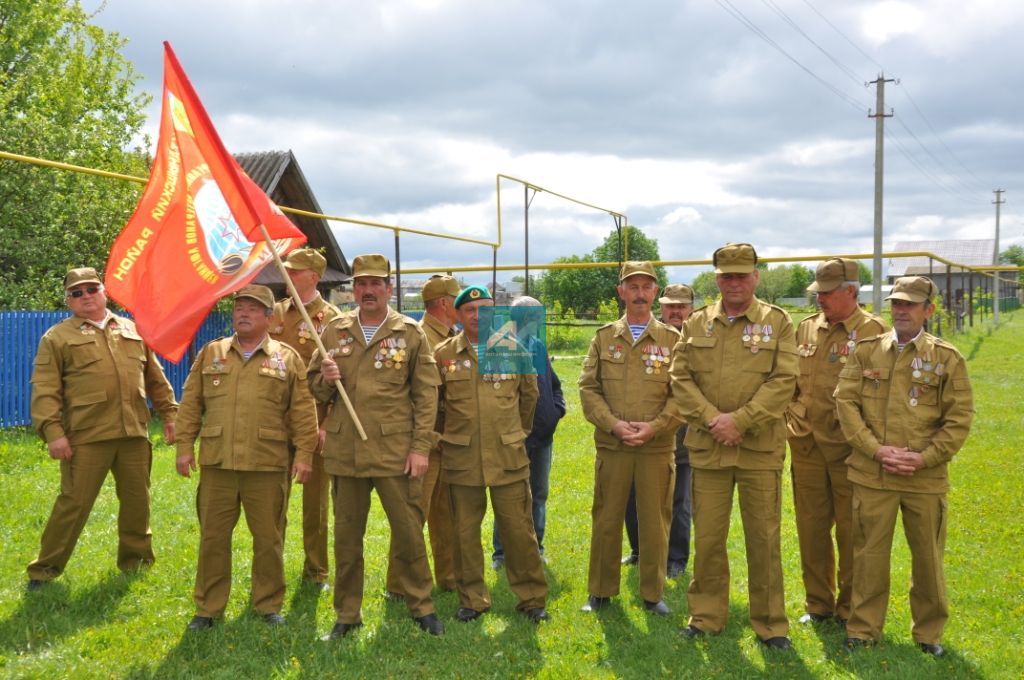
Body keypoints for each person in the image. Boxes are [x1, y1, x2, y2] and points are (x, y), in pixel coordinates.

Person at [836, 276, 974, 657]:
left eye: (910, 304)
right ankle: (862, 630)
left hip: (924, 477)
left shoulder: (947, 358)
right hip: (872, 474)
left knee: (928, 560)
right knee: (868, 557)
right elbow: (845, 404)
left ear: (928, 310)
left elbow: (959, 418)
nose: (901, 310)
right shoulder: (865, 352)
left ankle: (928, 634)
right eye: (896, 302)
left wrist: (925, 458)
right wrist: (875, 450)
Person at [308, 254, 444, 638]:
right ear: (353, 288)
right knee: (347, 539)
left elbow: (426, 395)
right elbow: (314, 388)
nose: (367, 290)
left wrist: (420, 449)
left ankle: (422, 605)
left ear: (389, 288)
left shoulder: (410, 333)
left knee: (408, 533)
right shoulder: (333, 332)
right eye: (361, 283)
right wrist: (325, 375)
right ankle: (347, 614)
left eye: (375, 284)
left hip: (394, 453)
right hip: (346, 452)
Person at [670, 243, 798, 649]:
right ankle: (705, 616)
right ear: (717, 278)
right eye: (727, 276)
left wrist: (739, 421)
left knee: (763, 538)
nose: (735, 282)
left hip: (758, 448)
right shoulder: (696, 324)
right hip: (709, 447)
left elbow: (784, 382)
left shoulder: (777, 322)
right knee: (707, 539)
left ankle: (771, 623)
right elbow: (680, 378)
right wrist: (714, 420)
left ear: (756, 277)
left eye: (742, 275)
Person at [175, 284, 318, 630]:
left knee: (268, 538)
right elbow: (192, 402)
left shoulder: (287, 357)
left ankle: (268, 604)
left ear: (269, 318)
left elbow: (302, 410)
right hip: (218, 462)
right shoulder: (212, 353)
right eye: (239, 308)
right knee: (213, 536)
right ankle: (208, 608)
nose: (243, 313)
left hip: (266, 463)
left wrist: (305, 455)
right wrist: (183, 446)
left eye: (253, 309)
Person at [27, 267, 178, 590]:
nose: (86, 297)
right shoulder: (57, 338)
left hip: (133, 434)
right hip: (86, 437)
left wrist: (170, 415)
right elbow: (44, 389)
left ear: (104, 291)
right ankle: (44, 570)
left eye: (91, 289)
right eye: (77, 293)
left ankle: (136, 562)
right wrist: (54, 433)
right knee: (73, 503)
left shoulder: (132, 329)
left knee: (138, 501)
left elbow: (155, 378)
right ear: (69, 301)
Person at [434, 285, 549, 623]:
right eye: (469, 310)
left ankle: (532, 598)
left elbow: (529, 397)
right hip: (462, 456)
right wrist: (445, 436)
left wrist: (516, 433)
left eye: (484, 309)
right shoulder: (443, 354)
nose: (476, 316)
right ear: (457, 315)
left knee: (519, 530)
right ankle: (472, 599)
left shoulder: (513, 349)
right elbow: (436, 404)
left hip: (507, 455)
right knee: (464, 532)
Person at [785, 258, 887, 626]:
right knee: (811, 528)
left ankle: (850, 608)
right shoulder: (806, 329)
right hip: (807, 446)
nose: (820, 300)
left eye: (827, 294)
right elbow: (793, 383)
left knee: (851, 531)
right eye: (817, 293)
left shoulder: (875, 332)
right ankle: (818, 605)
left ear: (850, 291)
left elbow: (881, 396)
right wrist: (795, 415)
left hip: (850, 451)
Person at [579, 261, 681, 616]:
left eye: (645, 286)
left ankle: (653, 594)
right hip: (614, 445)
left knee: (655, 520)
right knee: (606, 517)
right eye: (632, 286)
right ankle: (600, 591)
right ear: (620, 291)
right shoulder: (604, 337)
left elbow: (683, 393)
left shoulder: (672, 340)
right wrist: (613, 425)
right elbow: (588, 388)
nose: (639, 293)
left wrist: (656, 426)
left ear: (655, 292)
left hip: (656, 447)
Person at [269, 247, 342, 591]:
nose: (287, 276)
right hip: (274, 423)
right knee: (272, 500)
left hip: (314, 422)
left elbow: (341, 380)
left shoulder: (332, 319)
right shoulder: (274, 313)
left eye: (294, 271)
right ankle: (271, 567)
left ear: (313, 277)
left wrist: (326, 425)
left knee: (315, 506)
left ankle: (316, 571)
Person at [385, 274, 461, 597]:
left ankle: (449, 576)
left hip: (448, 440)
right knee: (413, 513)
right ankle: (399, 585)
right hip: (426, 441)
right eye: (457, 301)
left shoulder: (449, 334)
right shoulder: (422, 337)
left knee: (446, 512)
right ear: (445, 303)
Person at [623, 283, 695, 580]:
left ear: (692, 308)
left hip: (681, 433)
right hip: (639, 432)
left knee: (677, 500)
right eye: (670, 305)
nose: (675, 311)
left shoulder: (699, 338)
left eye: (681, 306)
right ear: (661, 306)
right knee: (632, 495)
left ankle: (675, 558)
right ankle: (640, 549)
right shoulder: (649, 336)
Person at [492, 295, 565, 569]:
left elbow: (555, 385)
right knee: (508, 495)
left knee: (539, 495)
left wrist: (557, 410)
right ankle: (502, 554)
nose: (535, 322)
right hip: (513, 440)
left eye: (537, 318)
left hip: (542, 439)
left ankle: (537, 547)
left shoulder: (538, 347)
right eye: (529, 317)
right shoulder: (500, 349)